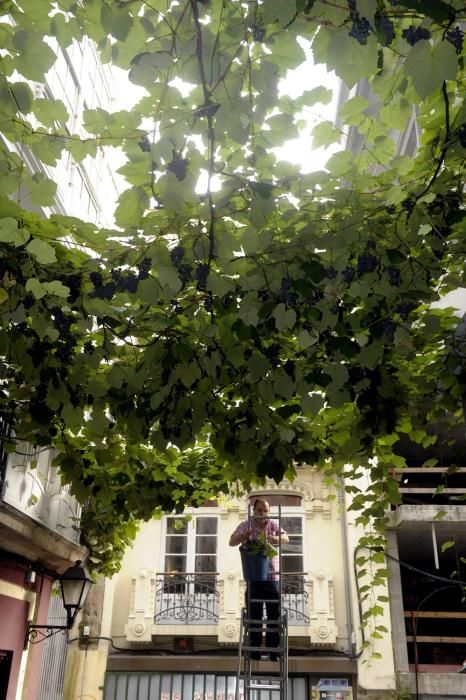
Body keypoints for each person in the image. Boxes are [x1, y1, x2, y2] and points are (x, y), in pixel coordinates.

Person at [229, 497, 289, 660]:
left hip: (272, 577)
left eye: (265, 511)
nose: (262, 514)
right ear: (253, 510)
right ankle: (254, 650)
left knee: (273, 615)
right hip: (254, 577)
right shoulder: (246, 524)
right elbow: (231, 541)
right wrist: (244, 536)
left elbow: (286, 538)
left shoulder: (273, 525)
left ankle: (273, 651)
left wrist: (275, 539)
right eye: (259, 510)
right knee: (253, 615)